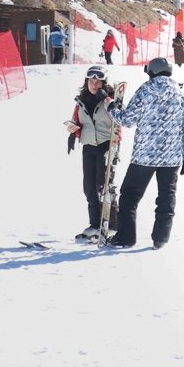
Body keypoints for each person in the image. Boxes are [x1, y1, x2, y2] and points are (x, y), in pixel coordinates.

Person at [106, 57, 184, 249]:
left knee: (129, 196)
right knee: (166, 198)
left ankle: (126, 238)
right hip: (171, 159)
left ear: (151, 72)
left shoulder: (145, 91)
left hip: (144, 156)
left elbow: (127, 120)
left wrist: (112, 109)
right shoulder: (181, 96)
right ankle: (160, 239)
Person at [66, 66, 120, 240]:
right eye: (91, 81)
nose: (94, 85)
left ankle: (112, 225)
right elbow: (77, 120)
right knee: (89, 187)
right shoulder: (81, 101)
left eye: (98, 82)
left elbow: (120, 118)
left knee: (103, 186)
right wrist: (73, 133)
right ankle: (95, 224)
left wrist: (108, 100)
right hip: (88, 147)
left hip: (106, 146)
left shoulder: (109, 101)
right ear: (86, 82)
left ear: (103, 83)